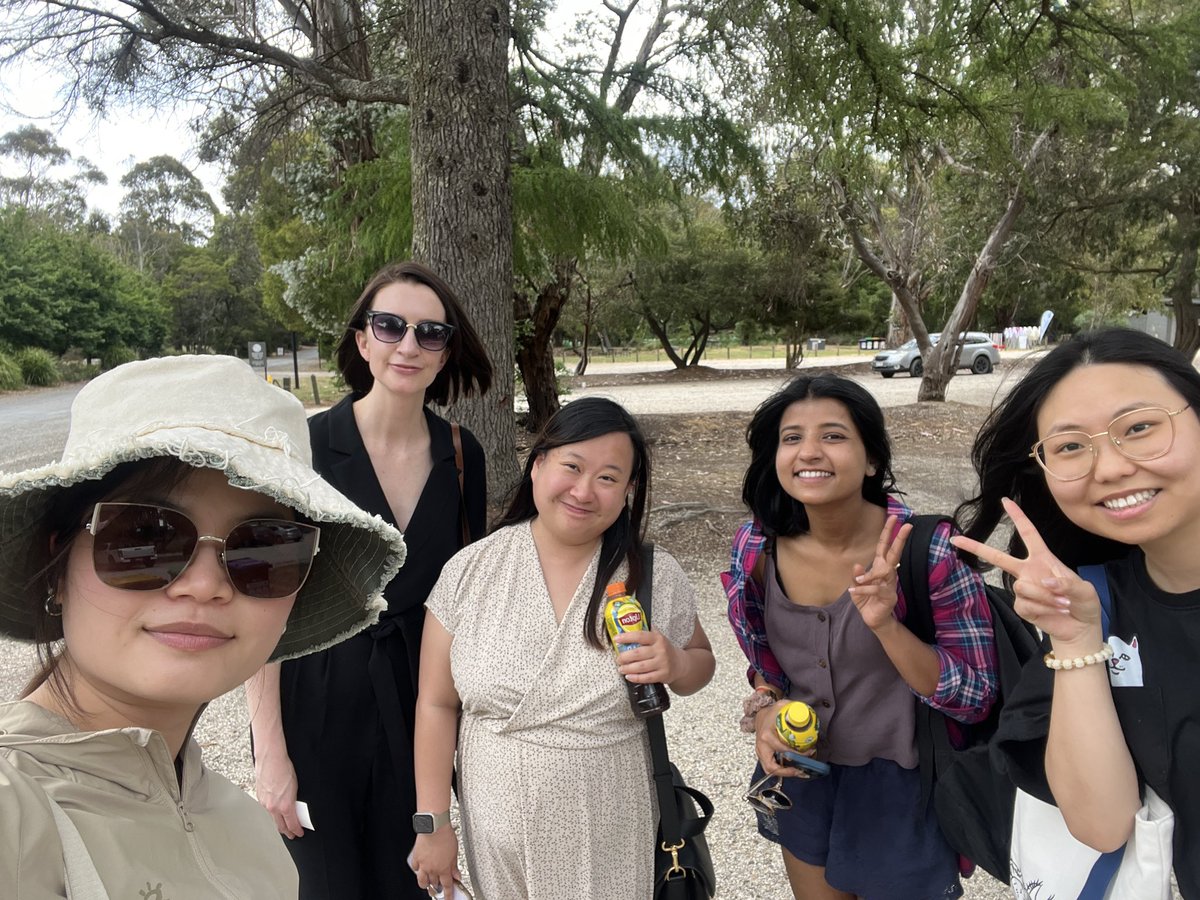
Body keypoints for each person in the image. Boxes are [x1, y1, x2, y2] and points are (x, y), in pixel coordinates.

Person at [0, 354, 405, 897]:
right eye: (144, 537)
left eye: (264, 549)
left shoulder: (244, 823)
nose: (204, 583)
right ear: (59, 564)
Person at [247, 261, 493, 899]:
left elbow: (468, 600)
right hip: (317, 700)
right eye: (390, 326)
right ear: (363, 340)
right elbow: (266, 604)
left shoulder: (464, 457)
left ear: (445, 354)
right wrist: (270, 754)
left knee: (409, 884)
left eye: (429, 334)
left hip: (422, 706)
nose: (408, 346)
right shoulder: (304, 448)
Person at [409, 396, 715, 899]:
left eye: (608, 477)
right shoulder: (470, 570)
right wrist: (433, 821)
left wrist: (677, 662)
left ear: (628, 492)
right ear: (538, 465)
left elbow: (701, 664)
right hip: (494, 821)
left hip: (611, 818)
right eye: (572, 466)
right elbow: (437, 703)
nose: (583, 491)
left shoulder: (650, 574)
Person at [722, 374, 997, 900]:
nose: (809, 452)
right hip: (801, 776)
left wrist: (887, 626)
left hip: (903, 785)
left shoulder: (928, 550)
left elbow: (975, 694)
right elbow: (767, 663)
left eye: (833, 435)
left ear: (872, 459)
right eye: (791, 437)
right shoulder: (755, 546)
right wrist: (765, 711)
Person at [951, 327, 1200, 898]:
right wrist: (1075, 637)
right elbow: (1102, 825)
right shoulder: (1096, 606)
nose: (1109, 468)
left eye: (1139, 427)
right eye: (1069, 447)